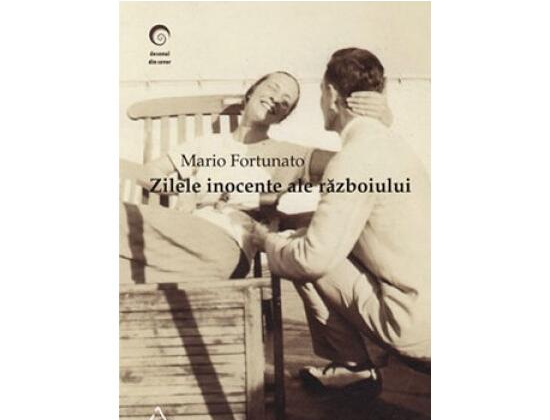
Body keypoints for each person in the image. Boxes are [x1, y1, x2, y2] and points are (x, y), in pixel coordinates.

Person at [251, 49, 430, 395]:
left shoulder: (352, 159)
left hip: (414, 331)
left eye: (321, 92)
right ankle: (356, 364)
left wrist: (265, 241)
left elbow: (311, 260)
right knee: (309, 236)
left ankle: (353, 365)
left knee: (297, 248)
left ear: (332, 95)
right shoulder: (393, 144)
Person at [120, 70, 391, 283]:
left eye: (286, 101)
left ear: (283, 117)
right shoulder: (207, 144)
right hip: (177, 242)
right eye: (273, 88)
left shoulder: (288, 154)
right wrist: (185, 187)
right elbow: (149, 173)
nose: (277, 98)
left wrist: (380, 123)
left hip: (224, 240)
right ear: (251, 93)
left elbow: (355, 162)